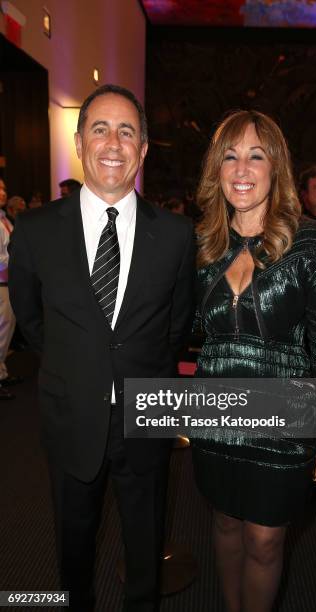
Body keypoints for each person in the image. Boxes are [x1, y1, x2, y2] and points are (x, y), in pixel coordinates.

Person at [8, 84, 195, 612]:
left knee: (145, 549)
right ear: (79, 140)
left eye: (127, 131)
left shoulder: (178, 236)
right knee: (73, 551)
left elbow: (175, 326)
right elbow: (31, 316)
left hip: (147, 415)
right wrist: (78, 365)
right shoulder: (36, 229)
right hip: (71, 415)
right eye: (100, 128)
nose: (113, 142)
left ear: (143, 149)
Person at [191, 110, 316, 612]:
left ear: (276, 167)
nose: (242, 169)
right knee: (224, 523)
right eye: (230, 156)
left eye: (256, 156)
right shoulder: (203, 245)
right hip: (214, 414)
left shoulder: (308, 241)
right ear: (216, 170)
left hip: (283, 420)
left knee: (264, 540)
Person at [0, 178, 17, 399]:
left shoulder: (4, 218)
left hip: (9, 281)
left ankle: (1, 373)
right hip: (2, 281)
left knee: (6, 331)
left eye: (4, 188)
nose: (2, 192)